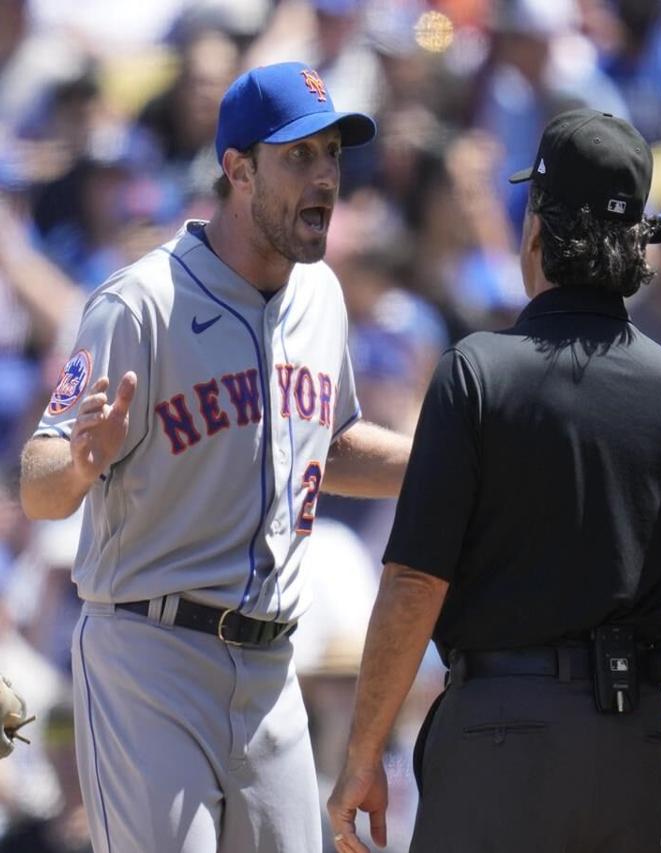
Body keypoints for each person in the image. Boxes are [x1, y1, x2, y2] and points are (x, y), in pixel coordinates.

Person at [18, 62, 411, 853]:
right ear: (238, 170)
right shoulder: (141, 302)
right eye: (298, 156)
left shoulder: (320, 295)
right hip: (150, 656)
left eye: (332, 154)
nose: (326, 177)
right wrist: (83, 463)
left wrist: (449, 459)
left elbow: (327, 444)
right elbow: (38, 481)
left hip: (272, 664)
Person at [326, 107, 661, 853]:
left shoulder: (475, 372)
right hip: (630, 738)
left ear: (536, 229)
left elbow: (413, 583)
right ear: (638, 239)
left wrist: (362, 753)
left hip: (499, 731)